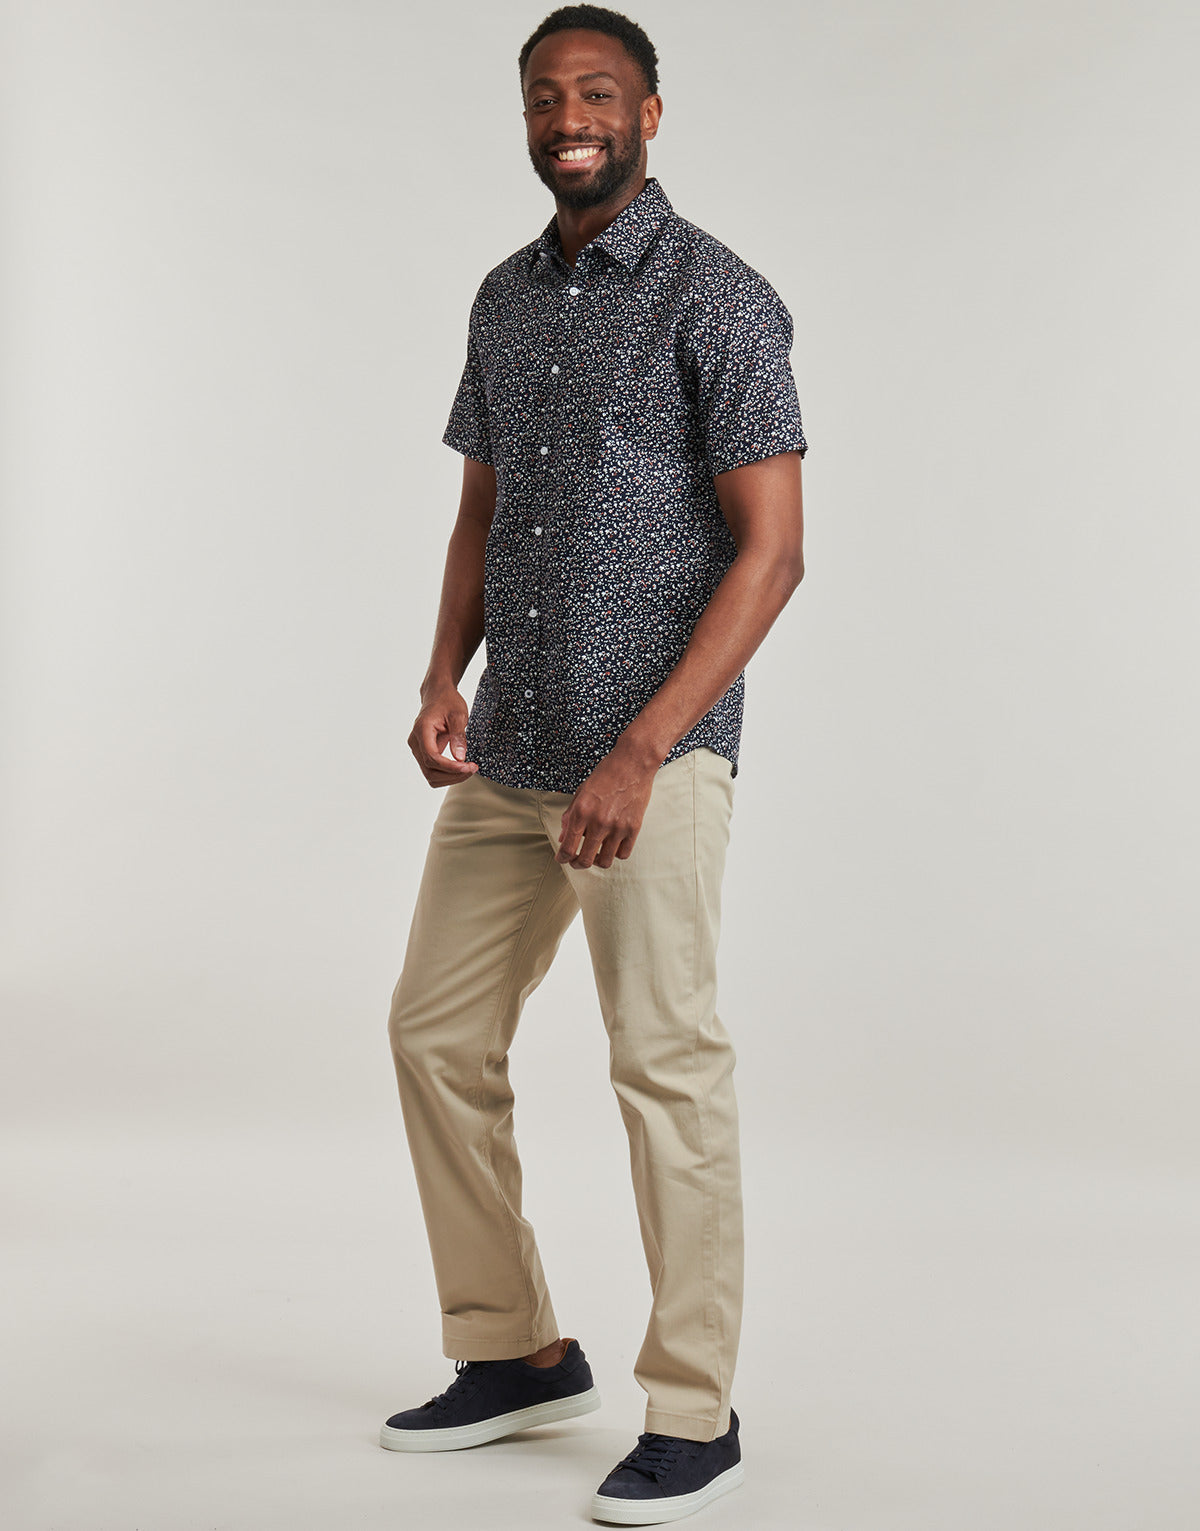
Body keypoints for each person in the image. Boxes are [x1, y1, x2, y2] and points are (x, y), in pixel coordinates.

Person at [381, 5, 807, 1522]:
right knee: (435, 1035)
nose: (571, 117)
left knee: (663, 1064)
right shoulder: (504, 298)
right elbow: (482, 513)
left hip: (653, 760)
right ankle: (513, 1352)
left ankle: (695, 1411)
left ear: (650, 113)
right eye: (546, 97)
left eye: (599, 93)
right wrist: (445, 672)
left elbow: (773, 554)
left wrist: (641, 749)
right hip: (513, 748)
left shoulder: (721, 296)